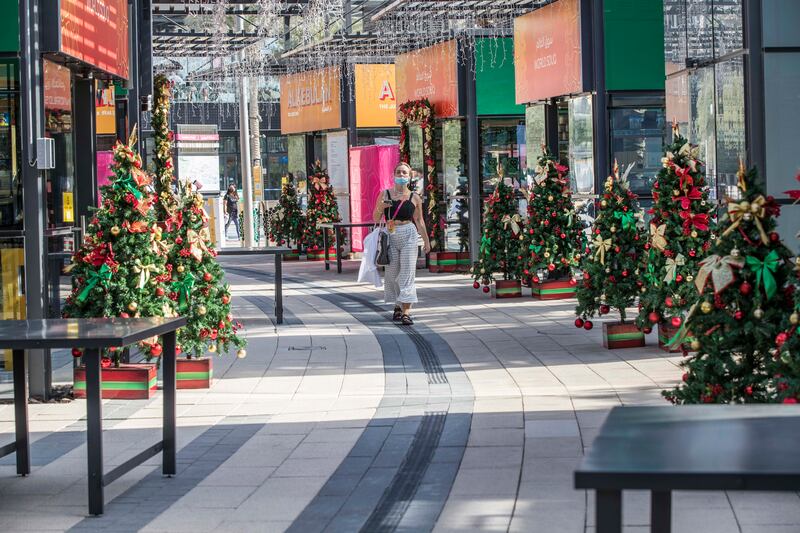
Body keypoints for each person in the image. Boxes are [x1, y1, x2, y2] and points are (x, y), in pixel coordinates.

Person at [372, 162, 431, 326]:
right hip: (391, 235)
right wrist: (381, 207)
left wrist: (426, 241)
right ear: (393, 174)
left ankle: (406, 312)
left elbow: (419, 221)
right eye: (398, 172)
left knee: (407, 274)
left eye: (404, 173)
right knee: (392, 274)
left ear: (410, 176)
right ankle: (397, 304)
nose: (401, 175)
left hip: (409, 234)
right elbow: (376, 218)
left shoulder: (415, 197)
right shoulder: (384, 194)